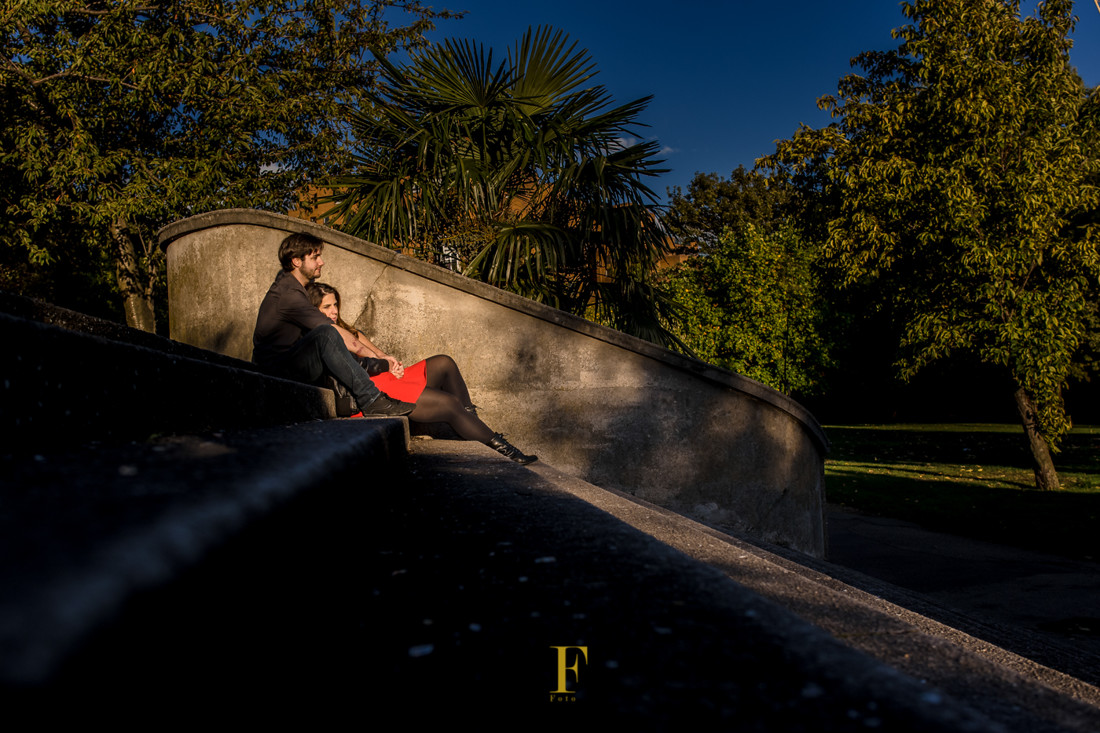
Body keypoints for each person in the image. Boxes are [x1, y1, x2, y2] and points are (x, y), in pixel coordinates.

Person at [306, 281, 537, 465]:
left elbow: (378, 355)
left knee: (443, 363)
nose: (334, 311)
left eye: (335, 304)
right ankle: (505, 450)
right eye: (327, 307)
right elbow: (358, 367)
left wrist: (392, 364)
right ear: (313, 309)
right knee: (448, 403)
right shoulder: (323, 334)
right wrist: (385, 367)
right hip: (372, 391)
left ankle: (472, 425)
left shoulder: (347, 329)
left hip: (386, 377)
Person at [252, 232, 415, 417]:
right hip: (276, 374)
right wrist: (377, 358)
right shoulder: (288, 294)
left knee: (328, 337)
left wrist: (380, 359)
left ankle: (374, 397)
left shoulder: (294, 287)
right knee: (326, 334)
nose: (321, 262)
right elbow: (332, 331)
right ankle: (371, 400)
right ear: (296, 261)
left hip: (288, 366)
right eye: (315, 257)